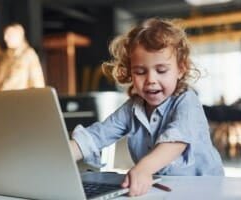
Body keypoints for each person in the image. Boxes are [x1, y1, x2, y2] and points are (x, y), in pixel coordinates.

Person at [70, 18, 224, 197]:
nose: (150, 79)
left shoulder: (187, 101)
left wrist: (143, 169)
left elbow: (175, 142)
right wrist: (61, 155)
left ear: (180, 69)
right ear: (130, 73)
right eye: (140, 72)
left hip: (205, 188)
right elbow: (97, 136)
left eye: (161, 70)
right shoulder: (131, 108)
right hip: (163, 187)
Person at [0, 23, 45, 91]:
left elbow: (38, 84)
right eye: (5, 35)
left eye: (10, 35)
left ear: (20, 36)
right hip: (0, 99)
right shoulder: (3, 57)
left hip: (19, 99)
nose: (5, 38)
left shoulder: (29, 55)